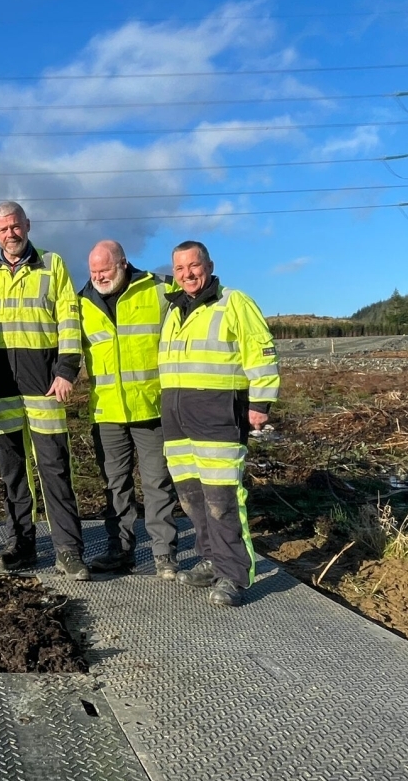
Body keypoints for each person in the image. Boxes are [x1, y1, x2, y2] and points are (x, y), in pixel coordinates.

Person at [0, 201, 89, 581]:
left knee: (53, 467)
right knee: (12, 472)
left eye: (15, 227)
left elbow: (69, 319)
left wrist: (66, 369)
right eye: (2, 229)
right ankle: (21, 544)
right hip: (1, 388)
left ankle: (68, 550)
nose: (10, 234)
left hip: (45, 387)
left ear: (27, 225)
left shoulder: (53, 265)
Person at [159, 240, 280, 607]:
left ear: (209, 265)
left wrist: (260, 402)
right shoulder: (174, 309)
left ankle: (233, 575)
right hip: (178, 418)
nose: (187, 274)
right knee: (192, 497)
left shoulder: (233, 303)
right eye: (179, 269)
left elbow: (260, 349)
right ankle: (211, 558)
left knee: (222, 499)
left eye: (193, 266)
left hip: (218, 415)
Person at [78, 240, 179, 577]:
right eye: (93, 272)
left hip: (151, 408)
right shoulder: (82, 303)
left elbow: (198, 303)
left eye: (104, 270)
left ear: (122, 263)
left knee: (157, 483)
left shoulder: (160, 289)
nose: (98, 277)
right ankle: (119, 550)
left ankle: (164, 554)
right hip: (107, 413)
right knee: (114, 485)